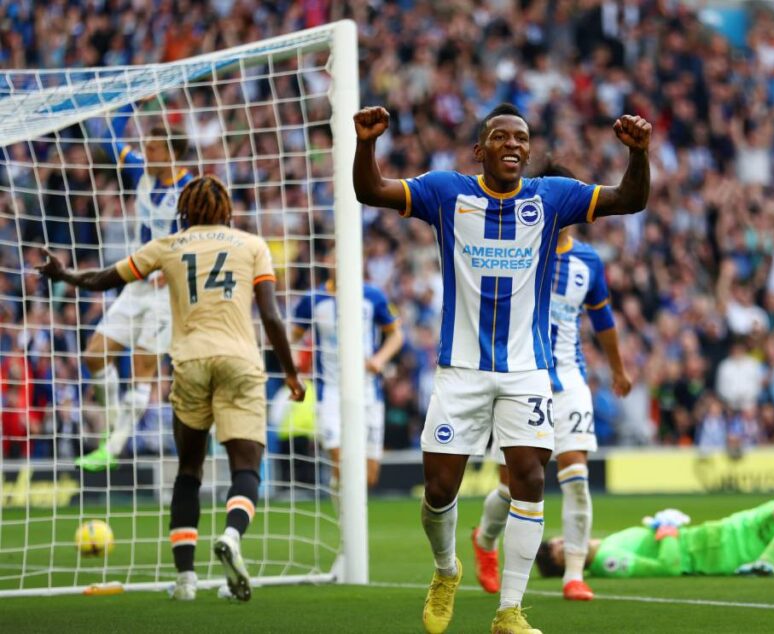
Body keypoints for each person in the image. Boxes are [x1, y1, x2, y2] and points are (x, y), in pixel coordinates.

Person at [352, 103, 650, 634]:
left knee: (530, 478)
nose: (513, 144)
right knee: (439, 490)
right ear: (479, 150)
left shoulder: (550, 198)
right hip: (461, 369)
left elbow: (630, 198)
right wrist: (366, 143)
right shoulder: (446, 192)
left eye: (522, 138)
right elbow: (371, 190)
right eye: (501, 137)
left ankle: (510, 610)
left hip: (527, 370)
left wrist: (638, 153)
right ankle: (447, 570)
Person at [36, 175, 305, 602]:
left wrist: (64, 274)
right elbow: (271, 316)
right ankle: (232, 536)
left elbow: (106, 278)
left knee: (188, 471)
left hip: (190, 362)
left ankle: (185, 580)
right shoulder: (252, 245)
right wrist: (290, 373)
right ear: (227, 211)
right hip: (240, 361)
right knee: (246, 467)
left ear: (183, 211)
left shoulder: (168, 245)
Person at [471, 162, 632, 603]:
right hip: (520, 378)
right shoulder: (518, 248)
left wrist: (618, 369)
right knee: (512, 486)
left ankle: (574, 574)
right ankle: (484, 540)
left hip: (570, 379)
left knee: (576, 477)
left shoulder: (588, 261)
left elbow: (603, 319)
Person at [78, 103, 194, 471]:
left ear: (172, 154)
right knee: (94, 355)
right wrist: (131, 104)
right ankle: (116, 425)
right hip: (136, 284)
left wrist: (173, 269)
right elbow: (107, 138)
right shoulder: (141, 170)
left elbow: (203, 240)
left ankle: (113, 448)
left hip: (169, 292)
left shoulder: (190, 190)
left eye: (154, 149)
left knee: (143, 367)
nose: (146, 152)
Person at [533, 495, 774, 580]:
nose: (568, 544)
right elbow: (669, 567)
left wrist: (661, 526)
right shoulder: (608, 563)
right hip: (727, 544)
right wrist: (668, 530)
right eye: (561, 551)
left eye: (560, 540)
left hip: (726, 536)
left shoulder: (607, 544)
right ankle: (768, 561)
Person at [291, 261, 404, 497]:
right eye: (334, 260)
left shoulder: (373, 296)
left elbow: (396, 336)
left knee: (370, 476)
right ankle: (343, 512)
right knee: (342, 462)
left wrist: (379, 359)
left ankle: (342, 498)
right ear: (328, 264)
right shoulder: (313, 299)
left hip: (368, 391)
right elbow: (293, 337)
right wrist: (294, 366)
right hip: (330, 391)